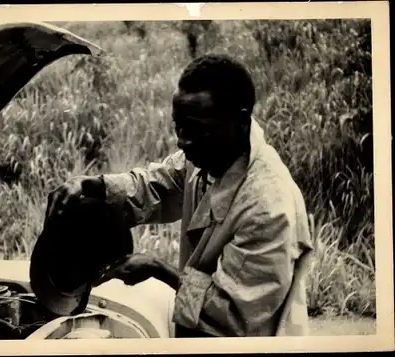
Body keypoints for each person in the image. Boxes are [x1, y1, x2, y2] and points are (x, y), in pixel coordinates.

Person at [45, 54, 314, 338]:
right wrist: (95, 186)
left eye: (196, 129)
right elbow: (157, 184)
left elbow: (233, 316)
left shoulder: (267, 207)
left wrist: (158, 269)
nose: (181, 140)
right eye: (179, 126)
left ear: (241, 121)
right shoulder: (211, 155)